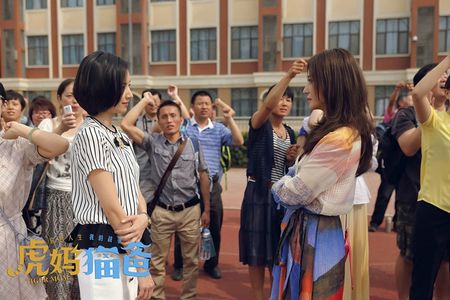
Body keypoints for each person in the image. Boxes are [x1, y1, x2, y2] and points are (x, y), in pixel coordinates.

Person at [270, 49, 373, 299]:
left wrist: (277, 185)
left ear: (332, 84)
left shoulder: (340, 140)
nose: (306, 89)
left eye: (311, 81)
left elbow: (295, 192)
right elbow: (299, 176)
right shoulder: (339, 132)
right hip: (314, 230)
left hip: (315, 234)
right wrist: (292, 177)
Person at [68, 51, 154, 300]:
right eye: (124, 86)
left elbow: (132, 187)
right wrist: (140, 267)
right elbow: (113, 210)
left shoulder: (118, 133)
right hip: (102, 247)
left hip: (126, 242)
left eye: (130, 86)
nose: (129, 94)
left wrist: (143, 216)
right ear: (104, 87)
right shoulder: (91, 134)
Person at [121, 98, 210, 300]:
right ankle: (157, 297)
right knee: (157, 262)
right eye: (164, 117)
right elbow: (126, 125)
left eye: (173, 116)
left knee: (191, 261)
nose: (169, 120)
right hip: (161, 211)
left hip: (190, 210)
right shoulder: (152, 143)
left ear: (181, 119)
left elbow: (203, 175)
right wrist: (144, 101)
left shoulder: (193, 143)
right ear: (158, 121)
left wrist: (206, 209)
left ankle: (189, 296)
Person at [0, 81, 69, 300]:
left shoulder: (15, 143)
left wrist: (22, 129)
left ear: (2, 104)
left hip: (8, 238)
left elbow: (59, 145)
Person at [239, 62, 297, 300]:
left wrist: (290, 159)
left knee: (277, 250)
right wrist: (290, 75)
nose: (284, 102)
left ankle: (275, 294)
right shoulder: (259, 124)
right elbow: (267, 105)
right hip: (258, 193)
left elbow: (288, 168)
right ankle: (257, 296)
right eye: (280, 97)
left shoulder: (290, 132)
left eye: (289, 99)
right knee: (256, 250)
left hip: (280, 198)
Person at [171, 90, 244, 280]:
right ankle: (180, 265)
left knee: (214, 227)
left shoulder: (219, 129)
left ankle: (211, 264)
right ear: (193, 107)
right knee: (183, 228)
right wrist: (176, 98)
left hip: (212, 187)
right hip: (187, 187)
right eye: (200, 103)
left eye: (207, 103)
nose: (204, 106)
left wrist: (230, 119)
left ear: (212, 107)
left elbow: (238, 141)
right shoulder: (185, 127)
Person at [409, 53, 450, 299]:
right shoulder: (434, 121)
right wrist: (446, 62)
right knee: (423, 284)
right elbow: (417, 93)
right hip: (434, 209)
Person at [38, 78, 83, 300]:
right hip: (57, 196)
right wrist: (61, 128)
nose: (74, 100)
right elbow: (39, 151)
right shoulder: (48, 125)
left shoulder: (93, 125)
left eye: (78, 95)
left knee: (85, 261)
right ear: (59, 99)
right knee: (60, 258)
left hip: (87, 200)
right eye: (69, 95)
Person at [369, 82, 414, 232]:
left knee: (402, 196)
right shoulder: (393, 115)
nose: (411, 99)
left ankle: (397, 223)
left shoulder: (415, 116)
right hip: (390, 163)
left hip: (405, 163)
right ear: (401, 102)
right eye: (409, 98)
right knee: (384, 194)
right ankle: (375, 222)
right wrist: (397, 89)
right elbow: (391, 103)